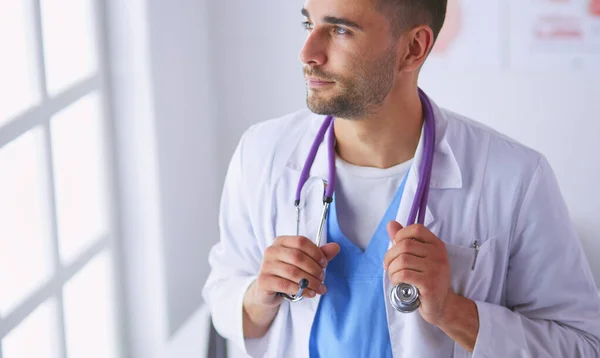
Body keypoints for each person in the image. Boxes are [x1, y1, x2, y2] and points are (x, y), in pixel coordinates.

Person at [202, 0, 600, 356]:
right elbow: (222, 294)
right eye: (309, 25)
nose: (308, 53)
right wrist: (258, 296)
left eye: (340, 30)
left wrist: (451, 310)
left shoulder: (513, 177)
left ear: (413, 48)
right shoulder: (261, 154)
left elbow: (582, 344)